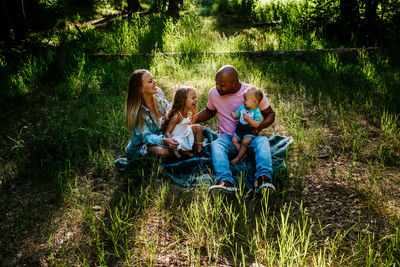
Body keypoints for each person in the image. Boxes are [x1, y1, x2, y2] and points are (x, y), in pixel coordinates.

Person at [194, 65, 276, 193]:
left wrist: (260, 126)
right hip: (228, 138)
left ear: (234, 83)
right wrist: (193, 119)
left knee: (263, 142)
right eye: (216, 83)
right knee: (216, 144)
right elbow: (209, 111)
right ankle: (225, 182)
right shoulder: (214, 93)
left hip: (250, 137)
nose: (218, 88)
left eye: (222, 85)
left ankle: (263, 180)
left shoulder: (252, 93)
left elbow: (270, 114)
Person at [124, 69, 179, 159]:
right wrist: (164, 141)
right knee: (162, 151)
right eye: (150, 81)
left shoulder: (158, 93)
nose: (155, 82)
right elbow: (147, 137)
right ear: (141, 89)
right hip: (143, 145)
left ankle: (177, 152)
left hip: (162, 135)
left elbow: (169, 109)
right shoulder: (137, 113)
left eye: (153, 79)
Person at [163, 86, 204, 158]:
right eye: (193, 98)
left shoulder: (186, 111)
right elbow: (167, 131)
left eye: (196, 97)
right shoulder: (177, 116)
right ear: (183, 100)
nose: (196, 100)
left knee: (198, 127)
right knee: (178, 143)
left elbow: (186, 125)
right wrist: (170, 140)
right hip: (177, 137)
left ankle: (199, 150)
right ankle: (186, 153)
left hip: (185, 133)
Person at [230, 86, 263, 165]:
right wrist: (234, 115)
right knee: (234, 140)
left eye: (245, 100)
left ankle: (238, 158)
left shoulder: (256, 112)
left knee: (245, 142)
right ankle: (243, 154)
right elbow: (238, 115)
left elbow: (257, 124)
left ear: (255, 102)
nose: (243, 101)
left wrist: (249, 119)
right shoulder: (242, 108)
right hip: (239, 129)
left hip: (249, 131)